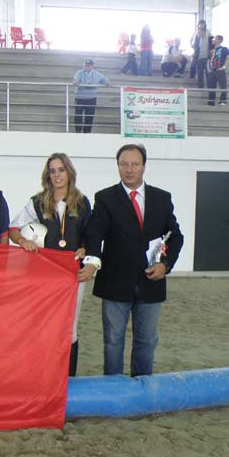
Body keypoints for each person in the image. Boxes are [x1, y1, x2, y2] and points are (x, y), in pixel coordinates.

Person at [82, 144, 183, 377]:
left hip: (152, 282)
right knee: (113, 341)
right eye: (124, 164)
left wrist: (165, 265)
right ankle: (113, 389)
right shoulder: (105, 198)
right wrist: (92, 261)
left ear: (144, 167)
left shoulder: (162, 198)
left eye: (135, 164)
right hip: (115, 283)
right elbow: (95, 235)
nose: (129, 169)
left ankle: (142, 389)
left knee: (146, 342)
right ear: (118, 166)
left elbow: (175, 236)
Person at [8, 153, 92, 376]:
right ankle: (43, 376)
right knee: (44, 326)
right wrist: (22, 241)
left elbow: (90, 236)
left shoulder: (83, 203)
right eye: (53, 170)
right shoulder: (37, 202)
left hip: (73, 274)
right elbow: (13, 228)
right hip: (44, 275)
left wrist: (86, 250)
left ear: (69, 172)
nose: (57, 175)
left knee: (69, 329)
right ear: (47, 175)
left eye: (61, 169)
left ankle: (68, 380)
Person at [73, 58, 108, 134]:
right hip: (80, 98)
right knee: (78, 116)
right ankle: (78, 132)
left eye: (89, 65)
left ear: (92, 66)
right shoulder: (79, 72)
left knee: (89, 117)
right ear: (84, 65)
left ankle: (87, 133)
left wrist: (107, 82)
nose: (87, 66)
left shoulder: (97, 74)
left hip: (91, 99)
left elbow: (104, 80)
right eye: (86, 65)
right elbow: (76, 80)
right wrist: (76, 82)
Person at [207, 35, 229, 107]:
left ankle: (223, 101)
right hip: (212, 71)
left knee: (223, 86)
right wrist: (208, 69)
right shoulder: (211, 51)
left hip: (220, 70)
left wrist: (223, 67)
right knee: (211, 87)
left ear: (219, 40)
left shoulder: (224, 49)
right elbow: (208, 61)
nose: (214, 40)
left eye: (216, 39)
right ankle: (211, 102)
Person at [190, 20, 213, 88]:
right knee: (199, 74)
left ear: (205, 25)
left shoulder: (208, 33)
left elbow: (211, 44)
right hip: (198, 56)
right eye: (200, 24)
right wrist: (193, 46)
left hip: (206, 57)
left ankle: (209, 88)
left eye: (203, 24)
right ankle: (200, 87)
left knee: (208, 74)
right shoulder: (195, 33)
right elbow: (191, 42)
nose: (201, 26)